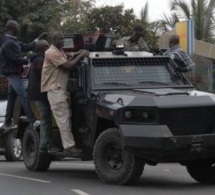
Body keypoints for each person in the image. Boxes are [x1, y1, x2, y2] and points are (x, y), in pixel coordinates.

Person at [41, 31, 89, 156]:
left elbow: (68, 60)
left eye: (63, 39)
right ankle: (69, 146)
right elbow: (67, 66)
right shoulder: (51, 52)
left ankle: (71, 144)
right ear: (54, 40)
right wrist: (81, 55)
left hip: (62, 89)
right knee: (64, 119)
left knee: (67, 118)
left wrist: (77, 54)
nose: (63, 41)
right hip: (55, 89)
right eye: (60, 39)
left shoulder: (59, 51)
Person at [0, 20, 46, 130]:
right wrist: (27, 60)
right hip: (12, 74)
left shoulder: (13, 41)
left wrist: (37, 39)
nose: (19, 28)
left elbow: (25, 46)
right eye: (17, 26)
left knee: (11, 96)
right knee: (23, 94)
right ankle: (33, 121)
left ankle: (7, 122)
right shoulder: (8, 43)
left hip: (14, 73)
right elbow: (14, 58)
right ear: (12, 28)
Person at [28, 40, 52, 152]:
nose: (49, 47)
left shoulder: (37, 59)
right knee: (45, 119)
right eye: (47, 46)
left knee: (46, 119)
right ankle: (44, 146)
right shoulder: (40, 61)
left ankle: (48, 143)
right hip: (39, 95)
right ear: (43, 48)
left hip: (39, 94)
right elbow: (46, 75)